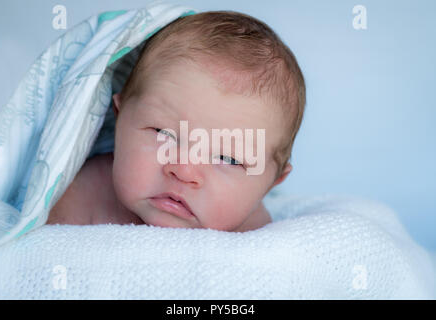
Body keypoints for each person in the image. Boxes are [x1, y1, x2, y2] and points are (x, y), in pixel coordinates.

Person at [46, 10, 306, 232]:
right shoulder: (82, 193)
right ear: (119, 116)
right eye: (163, 133)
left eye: (228, 159)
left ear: (272, 182)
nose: (183, 171)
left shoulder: (256, 236)